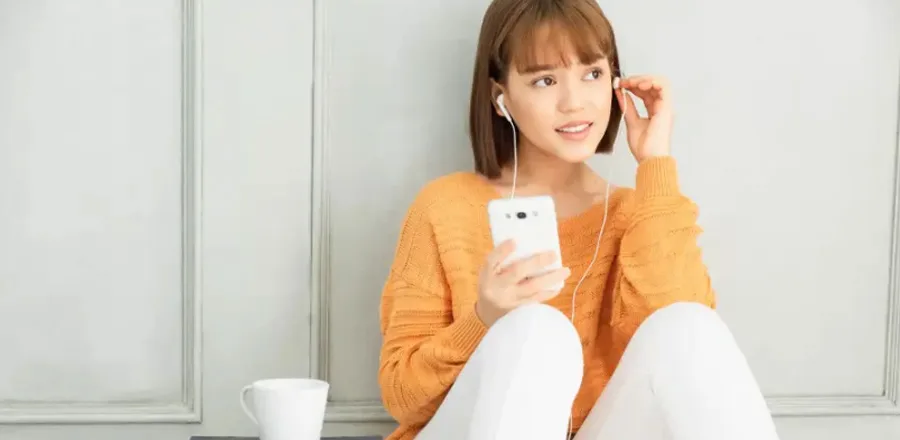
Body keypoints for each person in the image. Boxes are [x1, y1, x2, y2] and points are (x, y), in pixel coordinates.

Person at [377, 0, 781, 439]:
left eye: (592, 74)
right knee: (536, 328)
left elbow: (682, 352)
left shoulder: (634, 214)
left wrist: (655, 161)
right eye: (545, 80)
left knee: (690, 324)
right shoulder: (445, 207)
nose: (575, 102)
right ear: (501, 98)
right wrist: (485, 317)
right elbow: (402, 397)